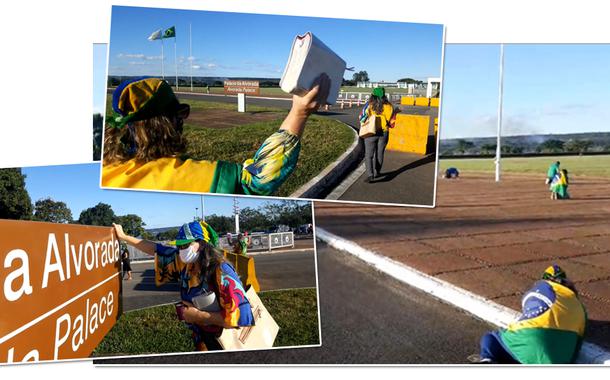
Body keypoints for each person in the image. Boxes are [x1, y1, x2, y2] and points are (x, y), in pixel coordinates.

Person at [102, 75, 331, 195]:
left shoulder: (104, 169)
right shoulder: (195, 177)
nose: (182, 120)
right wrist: (299, 112)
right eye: (180, 113)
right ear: (165, 124)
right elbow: (258, 180)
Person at [113, 220, 254, 351]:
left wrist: (198, 315)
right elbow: (155, 248)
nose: (181, 249)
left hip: (224, 341)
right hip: (201, 336)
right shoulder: (185, 263)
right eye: (179, 245)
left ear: (203, 243)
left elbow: (242, 317)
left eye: (186, 245)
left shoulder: (221, 271)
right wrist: (124, 237)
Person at [468, 265, 587, 364]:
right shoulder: (581, 308)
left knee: (493, 337)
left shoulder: (541, 287)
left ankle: (487, 359)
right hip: (555, 360)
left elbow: (528, 311)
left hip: (530, 337)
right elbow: (578, 344)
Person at [359, 87, 397, 182]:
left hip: (371, 132)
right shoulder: (390, 106)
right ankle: (377, 172)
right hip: (384, 133)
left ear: (373, 95)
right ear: (384, 95)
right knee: (380, 154)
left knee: (369, 155)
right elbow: (392, 124)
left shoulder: (369, 105)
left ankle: (370, 174)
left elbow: (362, 119)